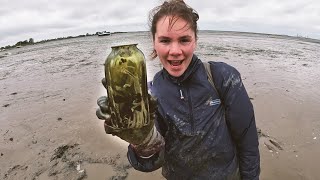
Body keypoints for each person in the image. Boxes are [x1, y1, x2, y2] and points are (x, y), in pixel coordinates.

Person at [96, 0, 260, 179]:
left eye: (184, 40)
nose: (175, 51)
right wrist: (140, 139)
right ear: (154, 43)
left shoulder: (223, 77)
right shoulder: (150, 95)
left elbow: (248, 142)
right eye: (165, 40)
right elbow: (151, 162)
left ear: (195, 41)